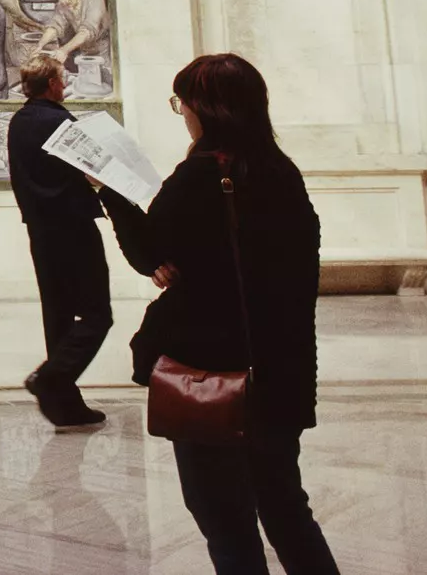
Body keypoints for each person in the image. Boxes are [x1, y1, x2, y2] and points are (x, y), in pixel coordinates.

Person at [99, 54, 341, 575]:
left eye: (182, 102)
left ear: (207, 108)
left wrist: (111, 194)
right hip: (281, 368)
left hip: (210, 375)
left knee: (226, 522)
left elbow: (148, 251)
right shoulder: (280, 171)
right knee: (286, 509)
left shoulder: (201, 174)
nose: (182, 113)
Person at [8, 54, 111, 430]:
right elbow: (93, 169)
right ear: (51, 84)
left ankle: (64, 404)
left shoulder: (19, 121)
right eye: (62, 79)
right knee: (98, 315)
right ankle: (50, 378)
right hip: (73, 226)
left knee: (58, 317)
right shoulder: (59, 121)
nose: (65, 85)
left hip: (40, 229)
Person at [37, 0, 111, 67]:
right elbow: (55, 26)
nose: (65, 1)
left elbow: (87, 31)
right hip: (84, 51)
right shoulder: (62, 5)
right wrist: (40, 44)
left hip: (104, 51)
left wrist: (64, 50)